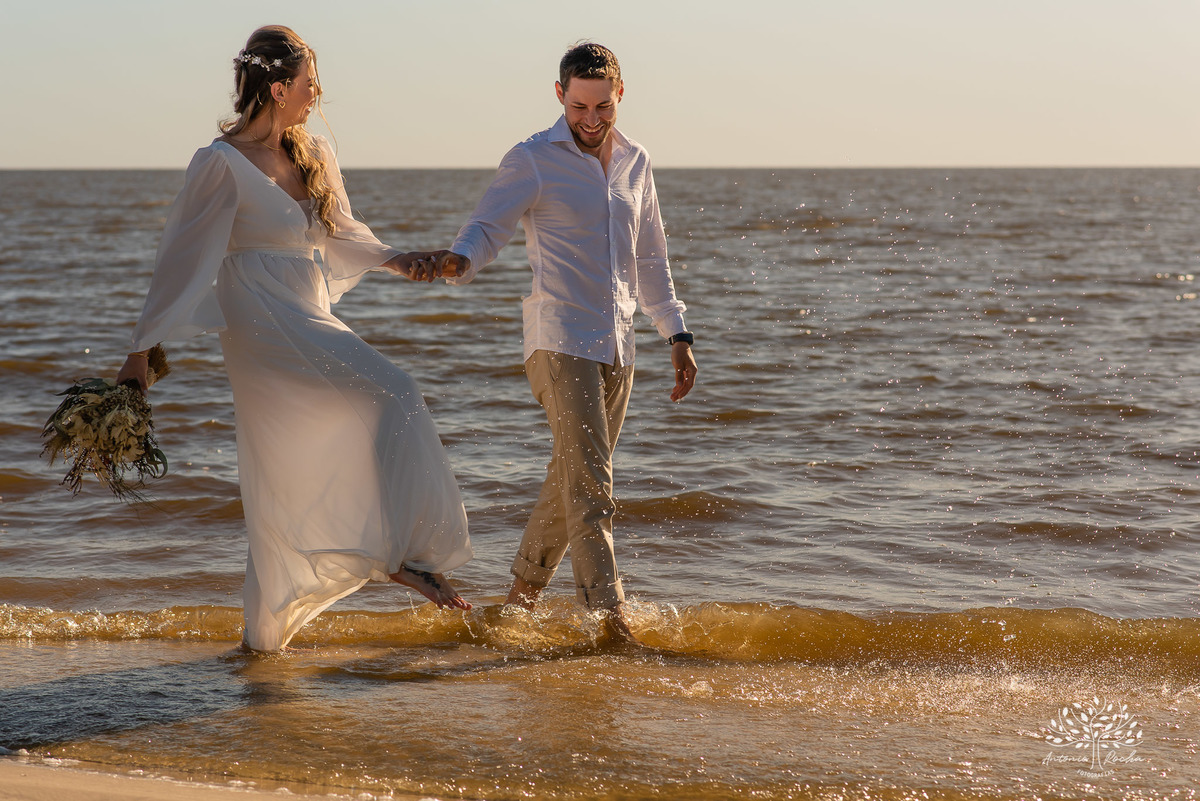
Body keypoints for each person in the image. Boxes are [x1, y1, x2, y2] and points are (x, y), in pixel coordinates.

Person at [116, 25, 472, 652]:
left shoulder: (312, 152)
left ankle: (264, 643)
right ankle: (398, 552)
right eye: (310, 84)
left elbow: (342, 233)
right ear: (278, 88)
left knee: (282, 471)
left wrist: (398, 259)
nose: (319, 95)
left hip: (306, 307)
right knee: (394, 389)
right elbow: (180, 257)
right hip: (259, 319)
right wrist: (141, 351)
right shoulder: (219, 163)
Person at [424, 42, 697, 640]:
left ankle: (517, 605)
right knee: (592, 486)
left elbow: (650, 256)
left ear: (619, 96)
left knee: (571, 477)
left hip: (619, 347)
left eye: (603, 106)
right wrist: (458, 261)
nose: (592, 119)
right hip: (559, 342)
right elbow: (486, 228)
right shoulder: (532, 159)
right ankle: (611, 622)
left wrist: (674, 331)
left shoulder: (635, 162)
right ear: (559, 96)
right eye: (580, 106)